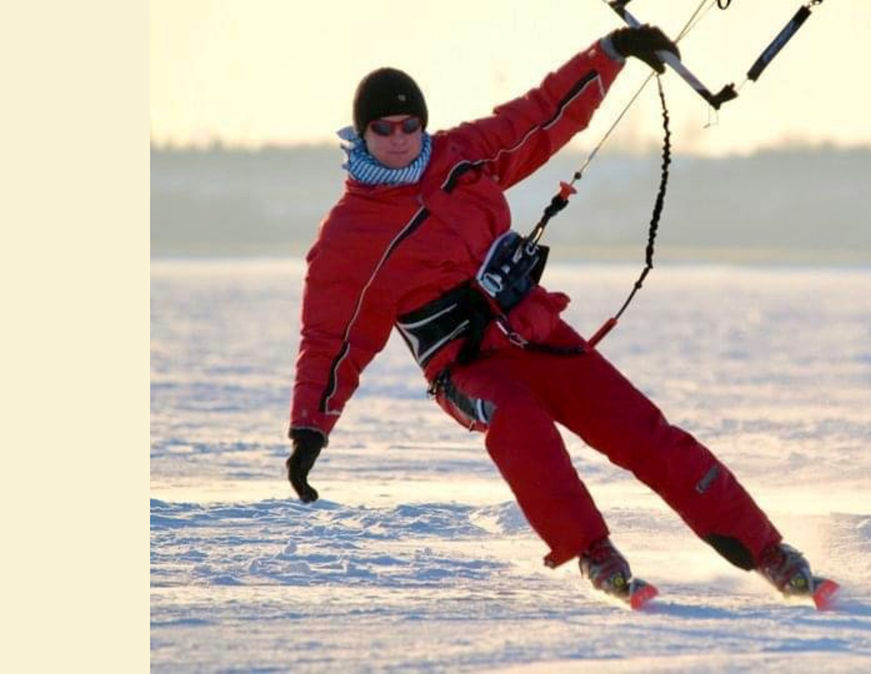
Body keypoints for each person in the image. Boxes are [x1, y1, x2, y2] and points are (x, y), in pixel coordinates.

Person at [286, 25, 816, 600]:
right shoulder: (349, 233)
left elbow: (542, 115)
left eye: (409, 125)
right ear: (362, 134)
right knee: (520, 424)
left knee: (643, 430)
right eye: (382, 129)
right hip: (465, 368)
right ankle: (592, 550)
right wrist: (310, 430)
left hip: (533, 333)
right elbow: (330, 340)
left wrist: (611, 53)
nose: (398, 138)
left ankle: (767, 550)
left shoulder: (461, 156)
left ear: (423, 124)